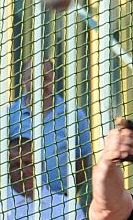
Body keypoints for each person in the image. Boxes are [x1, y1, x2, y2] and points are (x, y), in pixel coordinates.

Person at [9, 59, 93, 199]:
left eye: (45, 78)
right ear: (23, 80)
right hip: (18, 203)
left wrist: (68, 195)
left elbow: (83, 162)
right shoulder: (9, 116)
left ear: (54, 79)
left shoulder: (74, 116)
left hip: (59, 200)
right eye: (32, 78)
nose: (39, 84)